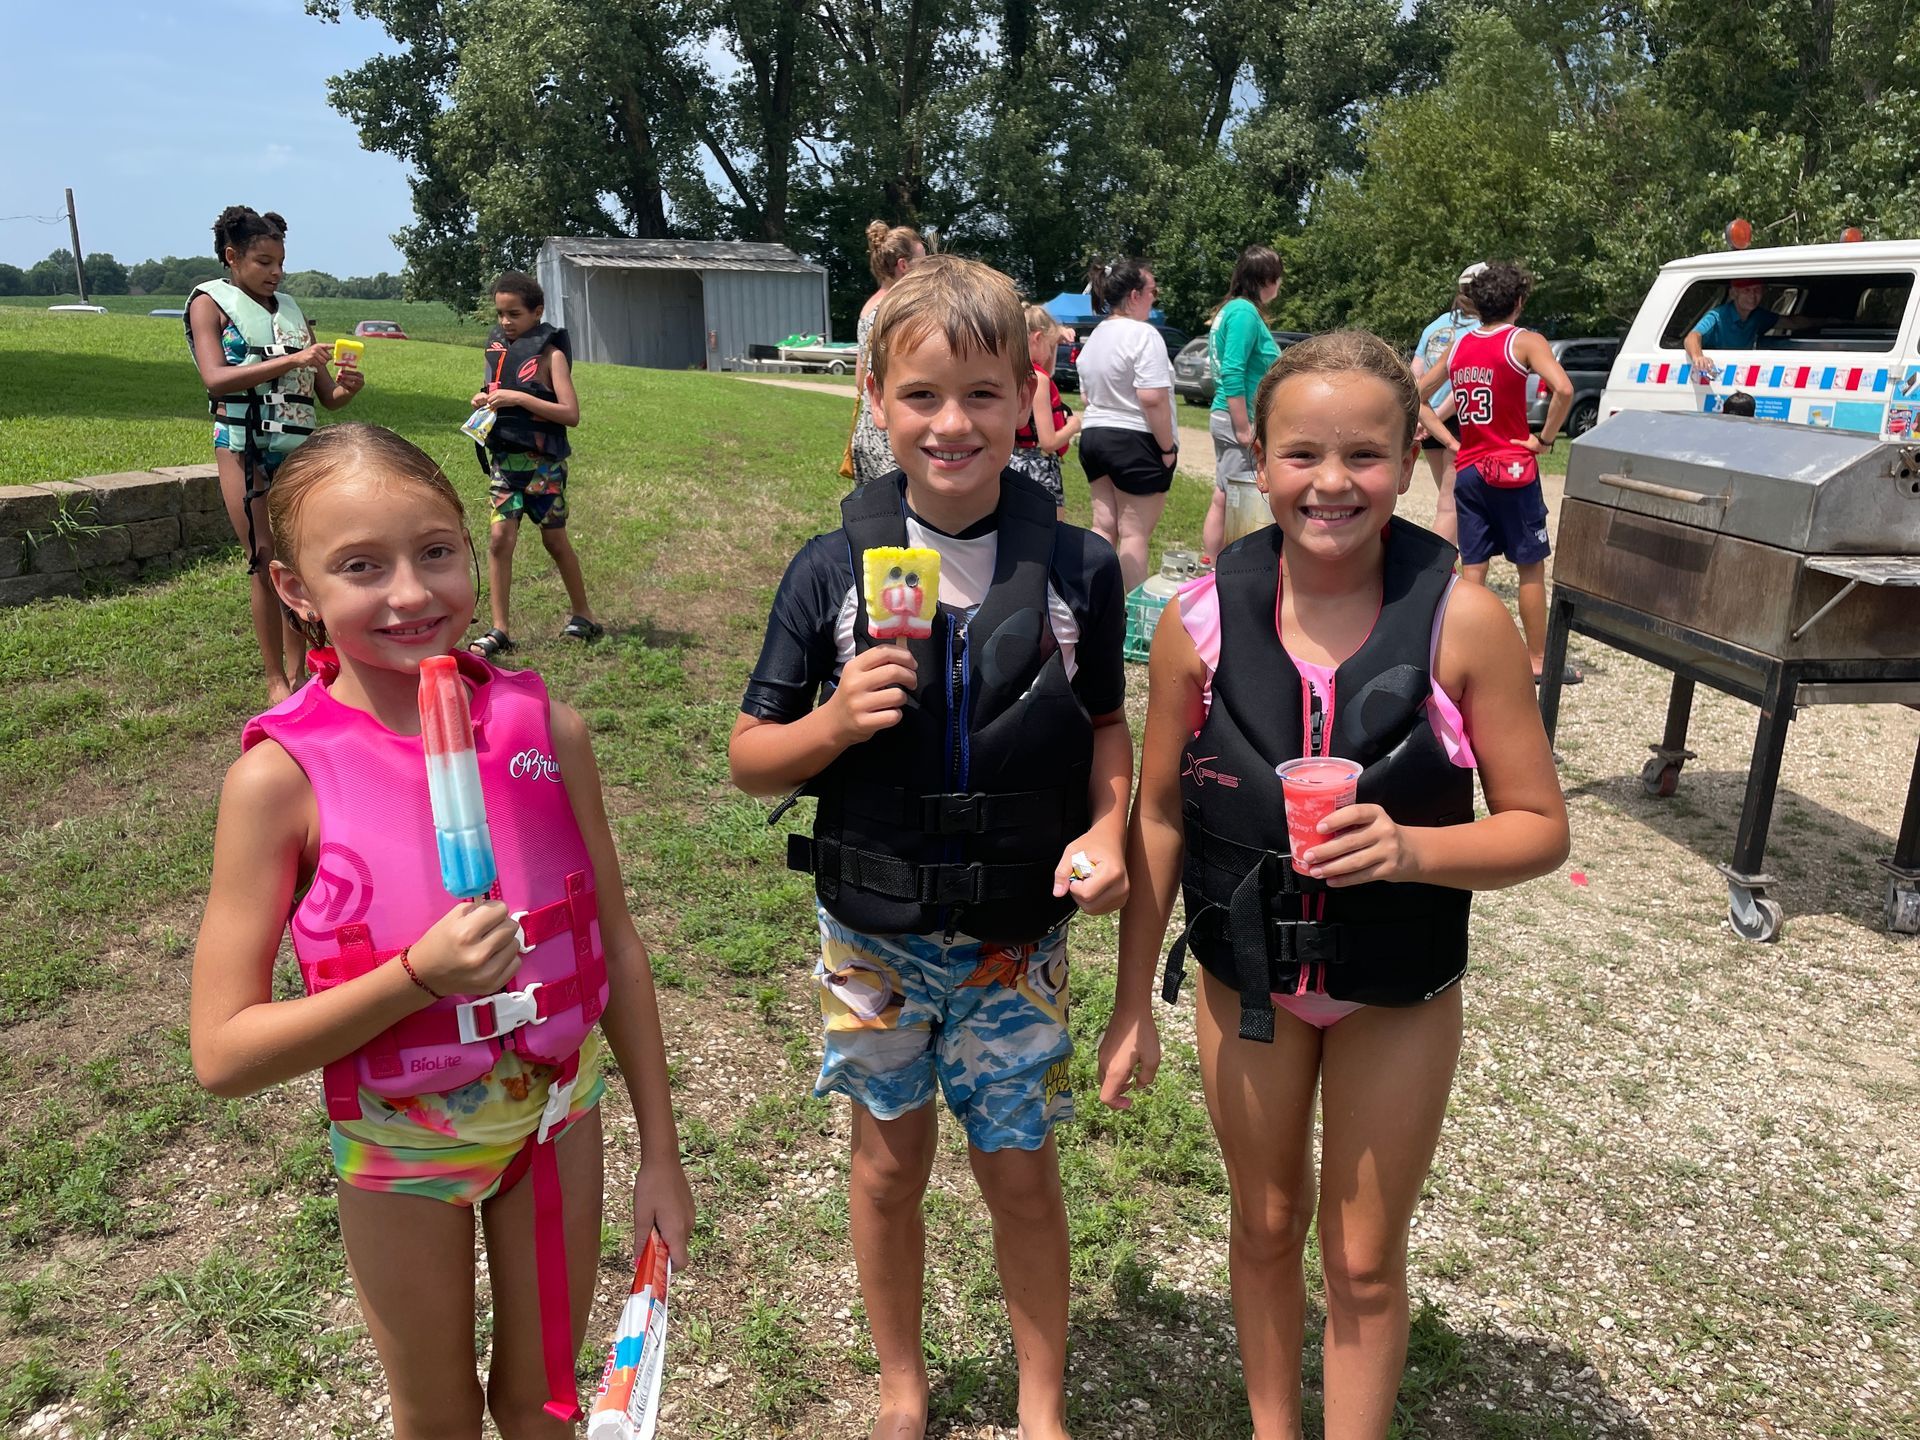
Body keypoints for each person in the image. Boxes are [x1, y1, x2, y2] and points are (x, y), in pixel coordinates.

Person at [1097, 331, 1569, 1440]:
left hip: (1393, 988)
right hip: (1248, 975)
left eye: (1364, 455)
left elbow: (1542, 829)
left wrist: (1410, 850)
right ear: (1254, 456)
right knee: (1263, 1224)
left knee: (1361, 1258)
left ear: (1411, 457)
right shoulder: (1196, 620)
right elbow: (1159, 813)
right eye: (1302, 454)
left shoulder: (1465, 620)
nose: (1331, 482)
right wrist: (1130, 1006)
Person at [189, 424, 693, 1438]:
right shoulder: (277, 782)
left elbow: (619, 945)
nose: (413, 595)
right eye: (361, 567)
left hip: (558, 1115)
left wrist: (662, 1153)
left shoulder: (546, 730)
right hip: (400, 1150)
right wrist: (415, 978)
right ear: (297, 591)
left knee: (545, 1401)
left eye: (436, 552)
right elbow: (222, 1053)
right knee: (439, 1415)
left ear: (472, 547)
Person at [729, 255, 1131, 1440]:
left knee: (1019, 1173)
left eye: (982, 396)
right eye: (921, 397)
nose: (952, 425)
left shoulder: (1078, 570)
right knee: (889, 1170)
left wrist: (1108, 829)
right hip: (874, 935)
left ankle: (1041, 1405)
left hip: (1016, 937)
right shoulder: (828, 570)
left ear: (1026, 399)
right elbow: (753, 756)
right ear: (873, 397)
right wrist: (832, 722)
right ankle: (903, 1387)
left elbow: (1107, 730)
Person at [186, 205, 364, 703]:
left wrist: (348, 386)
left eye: (280, 262)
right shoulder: (209, 305)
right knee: (264, 558)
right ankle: (275, 681)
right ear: (232, 257)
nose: (275, 272)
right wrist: (292, 358)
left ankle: (305, 669)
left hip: (299, 453)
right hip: (242, 447)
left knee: (301, 560)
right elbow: (215, 377)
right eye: (263, 261)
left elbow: (327, 397)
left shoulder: (290, 312)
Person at [1415, 261, 1577, 685]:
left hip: (1469, 469)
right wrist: (1544, 438)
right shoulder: (1525, 341)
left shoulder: (1460, 346)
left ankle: (1469, 654)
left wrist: (1451, 443)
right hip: (1512, 469)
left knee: (1474, 568)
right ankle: (1538, 659)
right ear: (1518, 302)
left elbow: (1416, 395)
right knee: (1530, 568)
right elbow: (1563, 388)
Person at [467, 271, 599, 658]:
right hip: (504, 463)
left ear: (537, 312)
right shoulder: (496, 349)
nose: (505, 322)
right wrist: (482, 397)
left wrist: (519, 399)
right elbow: (493, 389)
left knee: (555, 541)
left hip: (544, 468)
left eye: (515, 314)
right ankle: (500, 628)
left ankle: (583, 613)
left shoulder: (551, 355)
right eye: (501, 314)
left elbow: (570, 413)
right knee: (498, 540)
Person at [1076, 257, 1179, 591]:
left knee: (1103, 527)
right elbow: (1151, 397)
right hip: (1134, 440)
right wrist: (1167, 448)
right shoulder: (1143, 335)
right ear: (1134, 295)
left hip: (1094, 437)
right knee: (1134, 533)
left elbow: (1087, 398)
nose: (1155, 296)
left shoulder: (1095, 337)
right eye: (1152, 289)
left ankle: (1091, 607)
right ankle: (1131, 618)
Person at [1203, 245, 1285, 562]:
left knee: (1224, 494)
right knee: (1236, 497)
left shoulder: (1233, 310)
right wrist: (1243, 427)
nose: (1279, 285)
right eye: (1277, 277)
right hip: (1237, 418)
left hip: (1230, 415)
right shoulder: (1243, 313)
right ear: (1266, 278)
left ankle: (1215, 566)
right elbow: (1233, 369)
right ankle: (1226, 569)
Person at [1406, 263, 1484, 547]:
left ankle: (1453, 563)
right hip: (1455, 419)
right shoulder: (1482, 329)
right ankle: (1441, 572)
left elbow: (1416, 373)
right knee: (1451, 504)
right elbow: (1465, 384)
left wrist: (1421, 419)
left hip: (1426, 419)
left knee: (1448, 498)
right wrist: (1436, 418)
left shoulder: (1435, 325)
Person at [850, 221, 929, 485]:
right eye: (923, 263)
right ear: (904, 266)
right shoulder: (901, 310)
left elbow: (860, 379)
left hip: (867, 429)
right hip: (893, 432)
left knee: (875, 516)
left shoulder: (868, 306)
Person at [1011, 303, 1080, 515]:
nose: (1050, 353)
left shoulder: (1014, 373)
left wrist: (1057, 338)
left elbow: (1047, 370)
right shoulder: (1037, 380)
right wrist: (1074, 426)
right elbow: (1048, 443)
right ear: (1037, 338)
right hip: (1039, 466)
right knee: (1051, 535)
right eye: (1049, 346)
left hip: (1013, 462)